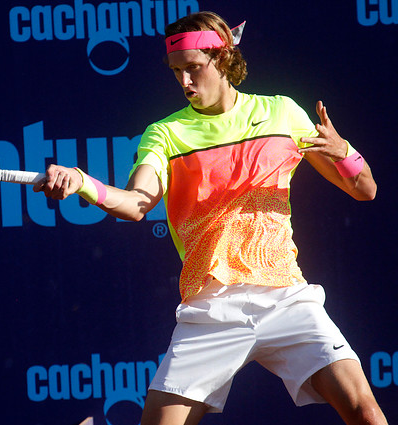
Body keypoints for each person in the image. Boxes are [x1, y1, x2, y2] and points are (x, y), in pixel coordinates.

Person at [34, 11, 386, 425]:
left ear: (223, 59)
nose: (184, 82)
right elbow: (135, 203)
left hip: (286, 295)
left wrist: (343, 150)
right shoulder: (166, 134)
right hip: (211, 304)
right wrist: (81, 182)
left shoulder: (282, 114)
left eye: (194, 69)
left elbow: (365, 190)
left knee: (364, 409)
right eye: (176, 72)